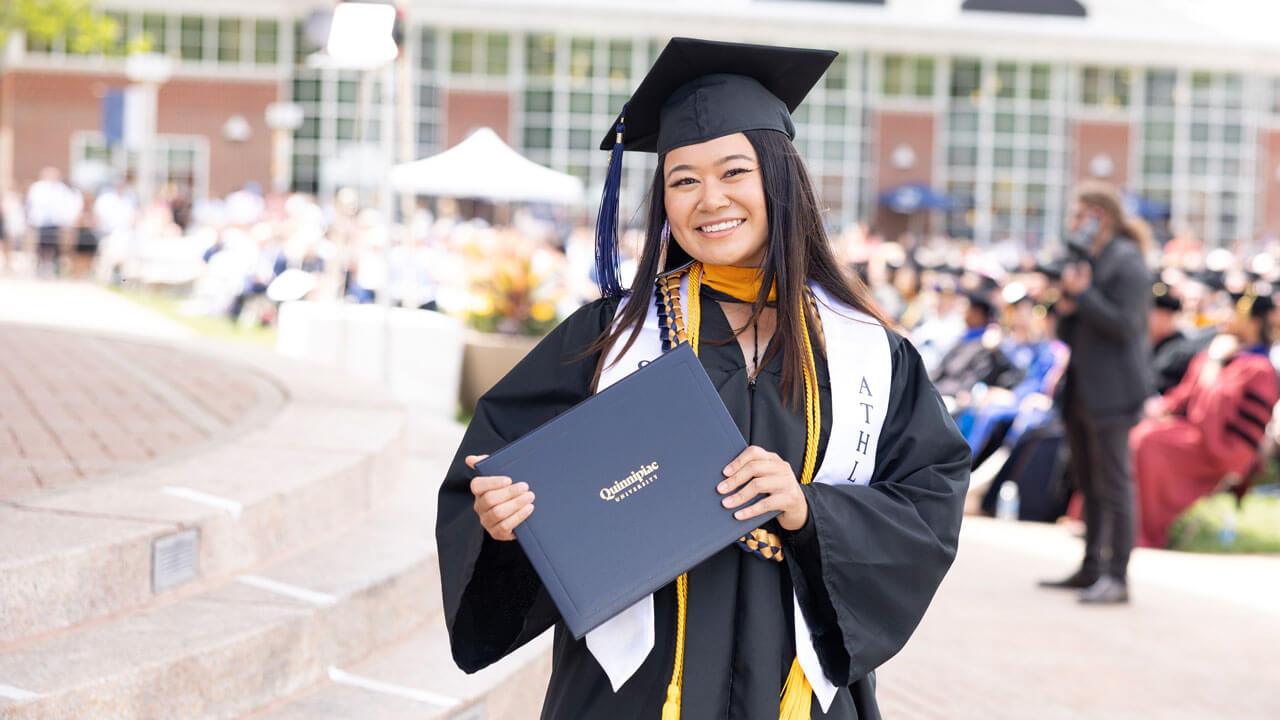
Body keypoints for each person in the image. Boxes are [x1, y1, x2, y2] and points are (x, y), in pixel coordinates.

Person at [436, 38, 970, 719]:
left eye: (732, 172)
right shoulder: (610, 337)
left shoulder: (867, 350)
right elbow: (499, 482)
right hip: (635, 688)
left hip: (795, 683)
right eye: (682, 179)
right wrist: (501, 525)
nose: (708, 199)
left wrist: (811, 510)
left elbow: (929, 501)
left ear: (779, 178)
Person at [1039, 181, 1153, 604]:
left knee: (1115, 484)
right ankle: (1091, 569)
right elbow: (1071, 331)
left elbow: (1127, 324)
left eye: (1078, 214)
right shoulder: (1091, 258)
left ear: (1098, 216)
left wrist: (1084, 295)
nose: (1072, 223)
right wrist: (1068, 303)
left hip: (1114, 390)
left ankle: (1117, 577)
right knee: (1088, 481)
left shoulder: (1127, 261)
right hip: (1084, 387)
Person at [1130, 292, 1279, 548]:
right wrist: (1158, 408)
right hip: (1197, 434)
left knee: (1147, 441)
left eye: (1232, 312)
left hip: (1222, 449)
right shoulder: (1221, 350)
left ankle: (1144, 532)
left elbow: (1213, 412)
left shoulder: (1259, 368)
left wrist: (1216, 363)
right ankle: (1115, 525)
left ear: (1252, 322)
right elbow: (1183, 396)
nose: (1225, 317)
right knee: (1137, 432)